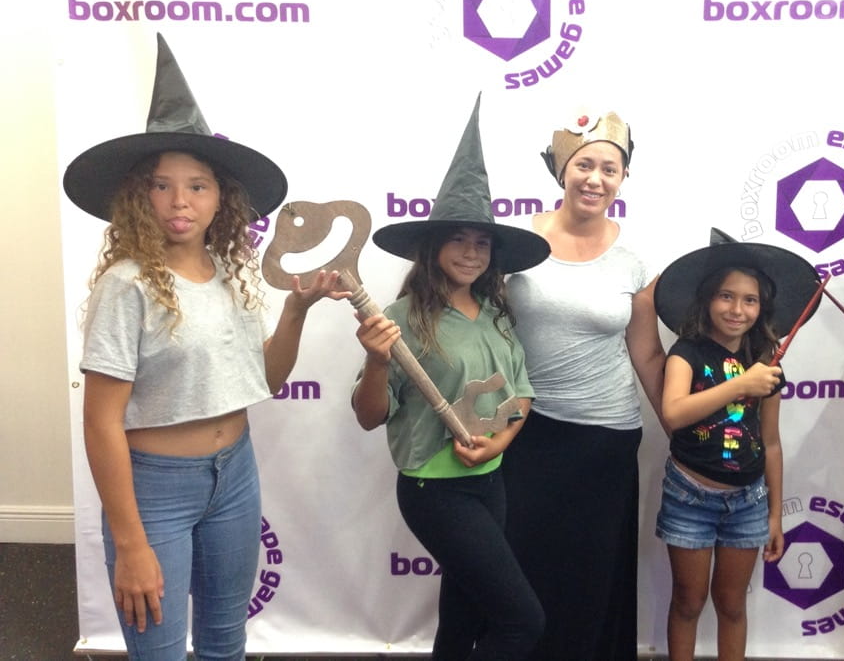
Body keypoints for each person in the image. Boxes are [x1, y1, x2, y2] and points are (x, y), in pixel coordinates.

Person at [63, 34, 349, 660]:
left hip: (235, 475)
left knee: (225, 644)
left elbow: (264, 380)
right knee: (160, 652)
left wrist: (295, 311)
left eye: (197, 186)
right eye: (161, 186)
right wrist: (130, 541)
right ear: (138, 196)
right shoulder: (126, 285)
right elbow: (101, 421)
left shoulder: (227, 275)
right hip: (155, 488)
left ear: (222, 198)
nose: (180, 201)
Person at [350, 95, 550, 661]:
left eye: (481, 242)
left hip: (490, 481)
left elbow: (521, 395)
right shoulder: (399, 320)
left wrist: (500, 442)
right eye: (459, 239)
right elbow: (368, 417)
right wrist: (377, 361)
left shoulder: (497, 315)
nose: (471, 252)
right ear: (433, 246)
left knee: (463, 616)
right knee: (522, 622)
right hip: (433, 489)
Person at [500, 110, 667, 660]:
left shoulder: (634, 261)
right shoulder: (516, 243)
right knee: (524, 572)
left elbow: (646, 353)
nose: (595, 179)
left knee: (592, 579)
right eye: (584, 165)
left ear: (623, 178)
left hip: (606, 440)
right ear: (561, 171)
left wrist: (681, 428)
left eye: (609, 169)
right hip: (525, 432)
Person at [652, 228, 822, 661]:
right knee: (688, 601)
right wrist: (740, 385)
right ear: (708, 299)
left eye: (750, 300)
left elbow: (772, 442)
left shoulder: (766, 362)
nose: (737, 309)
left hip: (749, 501)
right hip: (690, 496)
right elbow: (673, 413)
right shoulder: (686, 352)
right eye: (726, 296)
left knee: (731, 604)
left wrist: (774, 514)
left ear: (762, 308)